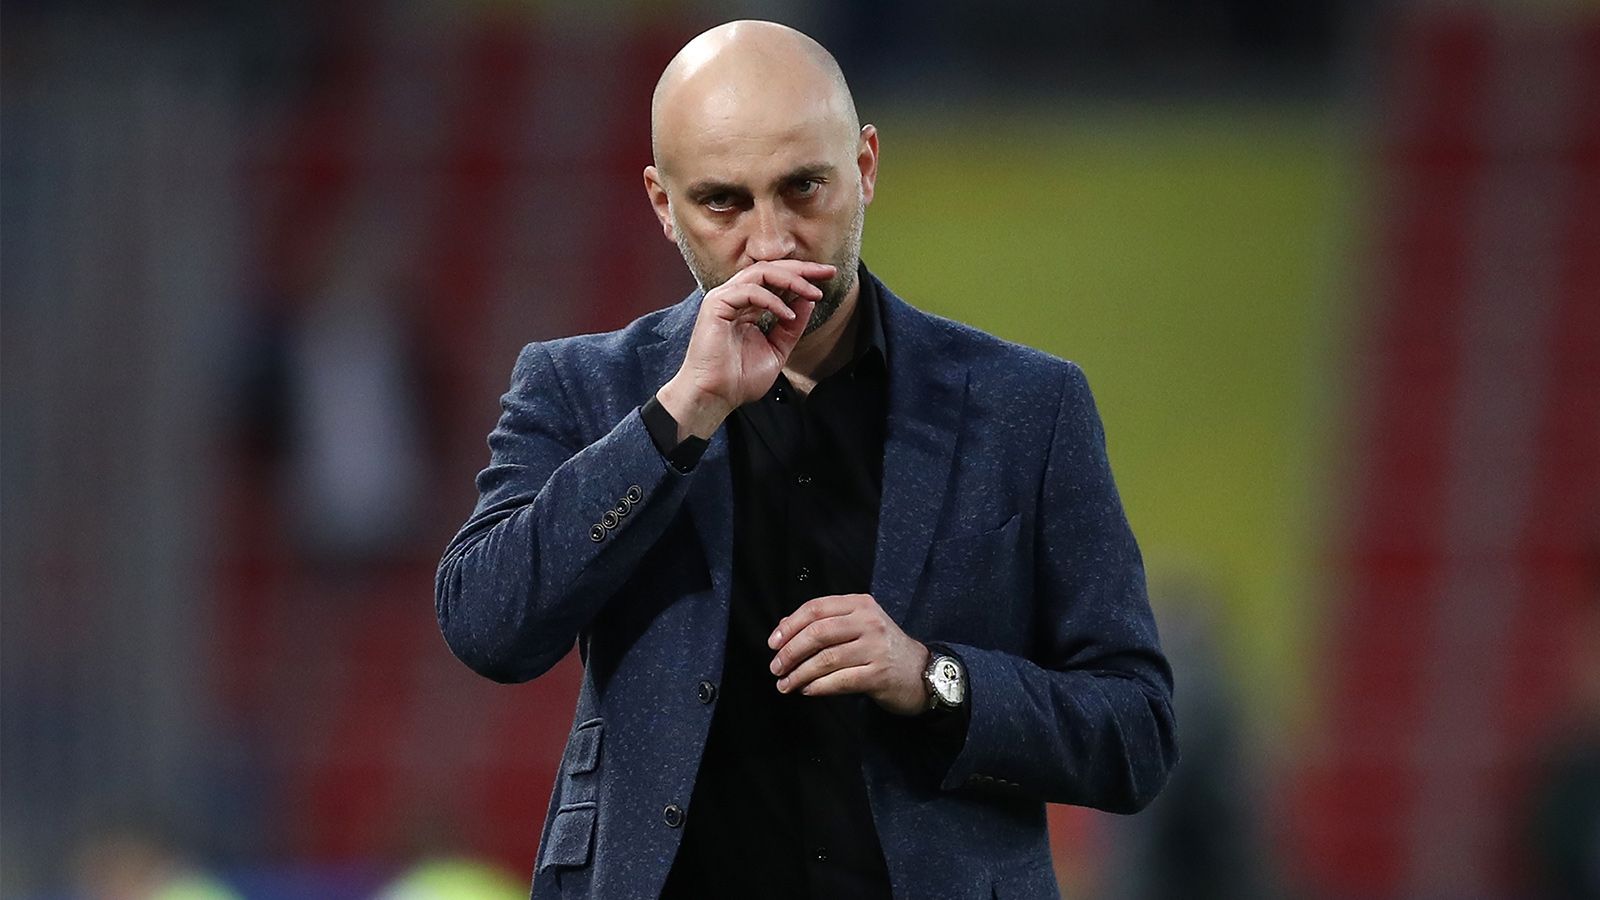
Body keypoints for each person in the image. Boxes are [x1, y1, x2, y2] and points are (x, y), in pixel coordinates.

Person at [436, 20, 1177, 900]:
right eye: (723, 202)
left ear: (865, 166)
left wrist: (931, 676)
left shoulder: (1027, 405)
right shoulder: (580, 385)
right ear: (662, 205)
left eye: (803, 188)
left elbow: (1137, 734)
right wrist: (679, 415)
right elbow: (488, 626)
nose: (772, 242)